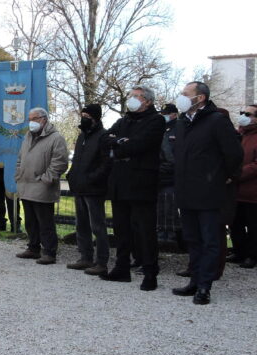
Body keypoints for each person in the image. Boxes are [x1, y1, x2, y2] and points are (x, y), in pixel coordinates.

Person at [172, 82, 242, 305]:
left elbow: (234, 153)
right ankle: (194, 279)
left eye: (186, 94)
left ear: (200, 98)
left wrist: (223, 176)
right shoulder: (183, 122)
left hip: (209, 192)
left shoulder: (216, 121)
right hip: (186, 190)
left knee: (210, 239)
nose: (181, 97)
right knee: (192, 239)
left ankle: (205, 286)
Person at [99, 86, 166, 290]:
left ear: (147, 101)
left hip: (142, 183)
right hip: (120, 182)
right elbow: (105, 139)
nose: (132, 100)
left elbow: (140, 145)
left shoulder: (156, 120)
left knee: (144, 231)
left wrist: (119, 145)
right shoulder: (124, 120)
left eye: (136, 97)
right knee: (121, 229)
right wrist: (119, 142)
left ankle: (150, 272)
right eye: (131, 96)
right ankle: (121, 268)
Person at [14, 107, 69, 265]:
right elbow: (20, 158)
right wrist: (19, 174)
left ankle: (49, 252)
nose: (31, 122)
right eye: (29, 119)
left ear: (44, 119)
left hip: (43, 186)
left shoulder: (56, 138)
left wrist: (47, 179)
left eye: (34, 119)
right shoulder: (28, 136)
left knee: (45, 222)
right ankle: (33, 248)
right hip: (26, 184)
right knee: (30, 220)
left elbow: (60, 161)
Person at [66, 104, 111, 274]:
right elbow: (77, 160)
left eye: (87, 115)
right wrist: (72, 175)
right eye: (82, 114)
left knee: (97, 226)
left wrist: (92, 178)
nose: (83, 118)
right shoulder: (81, 137)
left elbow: (106, 163)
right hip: (79, 187)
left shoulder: (103, 136)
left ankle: (101, 262)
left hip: (94, 189)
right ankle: (85, 257)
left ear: (95, 117)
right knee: (81, 224)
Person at [230, 105, 257, 269]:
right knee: (235, 223)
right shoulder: (239, 134)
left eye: (247, 114)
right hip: (236, 191)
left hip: (252, 192)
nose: (243, 116)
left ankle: (252, 255)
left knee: (253, 226)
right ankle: (239, 251)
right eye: (241, 113)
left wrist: (238, 174)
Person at [157, 104, 182, 250]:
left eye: (165, 114)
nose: (163, 116)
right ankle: (161, 234)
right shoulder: (161, 129)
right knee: (160, 207)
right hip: (160, 173)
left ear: (173, 114)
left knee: (170, 206)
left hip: (172, 174)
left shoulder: (178, 128)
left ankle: (171, 236)